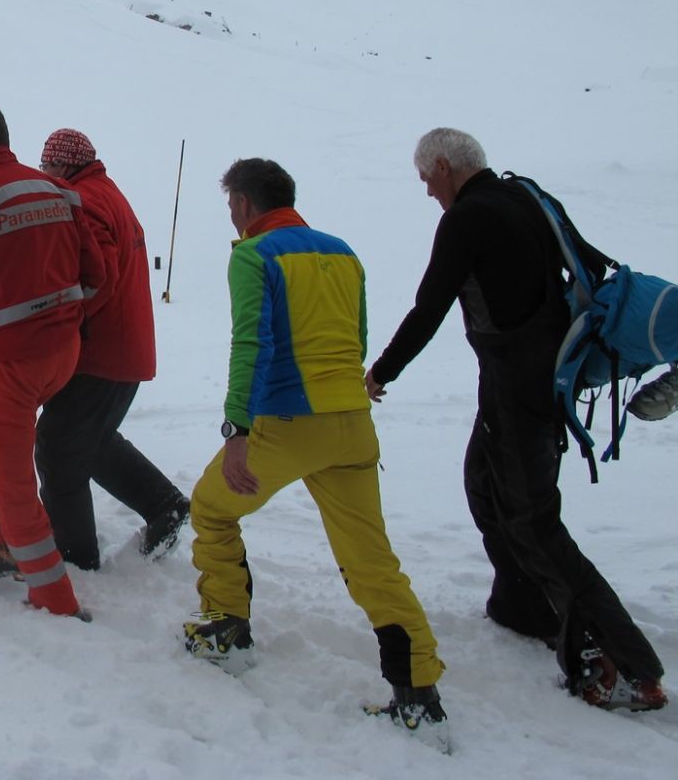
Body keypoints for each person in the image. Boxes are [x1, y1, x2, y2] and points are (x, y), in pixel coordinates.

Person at [366, 128, 666, 713]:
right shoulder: (524, 195)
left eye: (428, 180)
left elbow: (429, 306)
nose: (428, 193)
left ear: (446, 166)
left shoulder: (467, 218)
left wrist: (381, 372)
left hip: (520, 388)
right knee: (483, 484)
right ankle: (525, 605)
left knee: (533, 522)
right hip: (537, 378)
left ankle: (628, 664)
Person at [185, 158, 447, 737]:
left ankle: (225, 628)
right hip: (353, 423)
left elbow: (250, 344)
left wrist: (236, 431)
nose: (231, 218)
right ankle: (418, 695)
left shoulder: (254, 255)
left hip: (286, 423)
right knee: (373, 561)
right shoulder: (342, 252)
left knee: (210, 508)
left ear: (246, 205)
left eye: (232, 207)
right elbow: (357, 338)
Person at [0, 97, 103, 620]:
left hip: (12, 362)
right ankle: (3, 539)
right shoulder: (59, 191)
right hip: (61, 354)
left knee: (13, 485)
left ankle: (54, 600)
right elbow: (94, 274)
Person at [33, 128, 188, 569]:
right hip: (123, 349)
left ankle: (74, 554)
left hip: (100, 351)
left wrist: (58, 324)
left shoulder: (84, 199)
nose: (44, 173)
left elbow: (95, 278)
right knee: (92, 442)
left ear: (62, 166)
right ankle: (165, 506)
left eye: (46, 165)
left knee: (59, 444)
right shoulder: (104, 192)